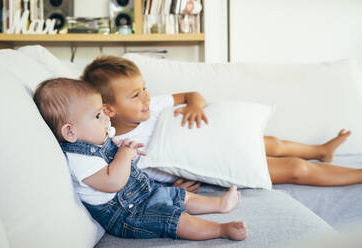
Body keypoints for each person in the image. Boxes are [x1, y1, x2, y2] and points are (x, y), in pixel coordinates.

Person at [81, 56, 362, 189]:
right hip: (212, 160)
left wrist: (194, 105)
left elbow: (193, 94)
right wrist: (170, 193)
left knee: (273, 143)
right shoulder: (114, 144)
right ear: (109, 109)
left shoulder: (152, 104)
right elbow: (129, 182)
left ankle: (321, 151)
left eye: (145, 88)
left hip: (218, 138)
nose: (146, 97)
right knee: (296, 169)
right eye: (135, 95)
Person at [33, 78, 248, 241]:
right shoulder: (79, 159)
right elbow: (112, 182)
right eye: (98, 115)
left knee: (180, 196)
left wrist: (121, 148)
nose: (106, 118)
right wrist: (124, 156)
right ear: (70, 132)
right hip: (128, 215)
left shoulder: (94, 140)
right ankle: (219, 230)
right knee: (174, 220)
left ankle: (219, 204)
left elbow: (113, 162)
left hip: (143, 193)